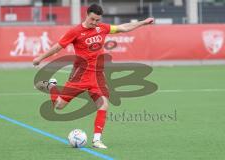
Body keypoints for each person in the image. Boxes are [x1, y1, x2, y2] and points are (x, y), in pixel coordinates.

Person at [33, 4, 154, 149]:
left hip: (97, 76)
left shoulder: (101, 28)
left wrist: (143, 23)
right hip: (79, 76)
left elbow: (123, 28)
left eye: (97, 20)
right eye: (92, 19)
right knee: (59, 106)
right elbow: (58, 47)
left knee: (103, 104)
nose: (95, 23)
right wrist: (40, 58)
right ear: (86, 15)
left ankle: (97, 140)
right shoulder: (75, 31)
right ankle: (51, 85)